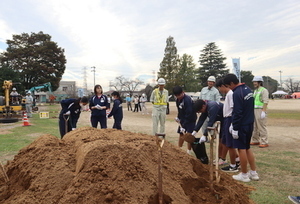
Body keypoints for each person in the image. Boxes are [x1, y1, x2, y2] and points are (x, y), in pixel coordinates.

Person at [223, 73, 259, 182]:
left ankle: (244, 175)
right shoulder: (248, 89)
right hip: (249, 123)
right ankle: (253, 172)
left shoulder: (237, 92)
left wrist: (235, 126)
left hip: (242, 125)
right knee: (247, 147)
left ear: (232, 83)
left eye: (229, 86)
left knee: (241, 149)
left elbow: (237, 112)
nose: (229, 89)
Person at [216, 78, 240, 172]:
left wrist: (232, 123)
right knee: (227, 142)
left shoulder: (231, 94)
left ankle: (233, 165)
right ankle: (236, 160)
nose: (220, 91)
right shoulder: (228, 95)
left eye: (219, 88)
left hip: (230, 118)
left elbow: (233, 108)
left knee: (230, 144)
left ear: (222, 86)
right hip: (226, 119)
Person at [190, 99, 224, 164]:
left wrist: (205, 134)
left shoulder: (213, 107)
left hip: (225, 120)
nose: (200, 112)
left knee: (223, 140)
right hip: (220, 120)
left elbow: (211, 122)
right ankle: (219, 158)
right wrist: (195, 131)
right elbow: (201, 119)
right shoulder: (206, 106)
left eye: (200, 111)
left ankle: (222, 158)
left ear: (203, 106)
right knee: (220, 139)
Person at [173, 86, 195, 155]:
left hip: (190, 119)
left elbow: (189, 113)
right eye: (176, 96)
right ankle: (179, 149)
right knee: (181, 134)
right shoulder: (177, 100)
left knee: (188, 135)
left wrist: (184, 125)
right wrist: (178, 118)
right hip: (183, 119)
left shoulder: (187, 100)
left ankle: (189, 151)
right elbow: (180, 110)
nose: (178, 97)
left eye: (179, 95)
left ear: (183, 92)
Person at [251, 76, 269, 148]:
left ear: (260, 82)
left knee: (261, 126)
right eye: (254, 82)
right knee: (255, 126)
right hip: (254, 109)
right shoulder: (255, 91)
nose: (254, 83)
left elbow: (265, 101)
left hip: (261, 110)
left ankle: (264, 141)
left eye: (255, 82)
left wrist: (263, 111)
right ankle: (255, 140)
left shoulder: (264, 90)